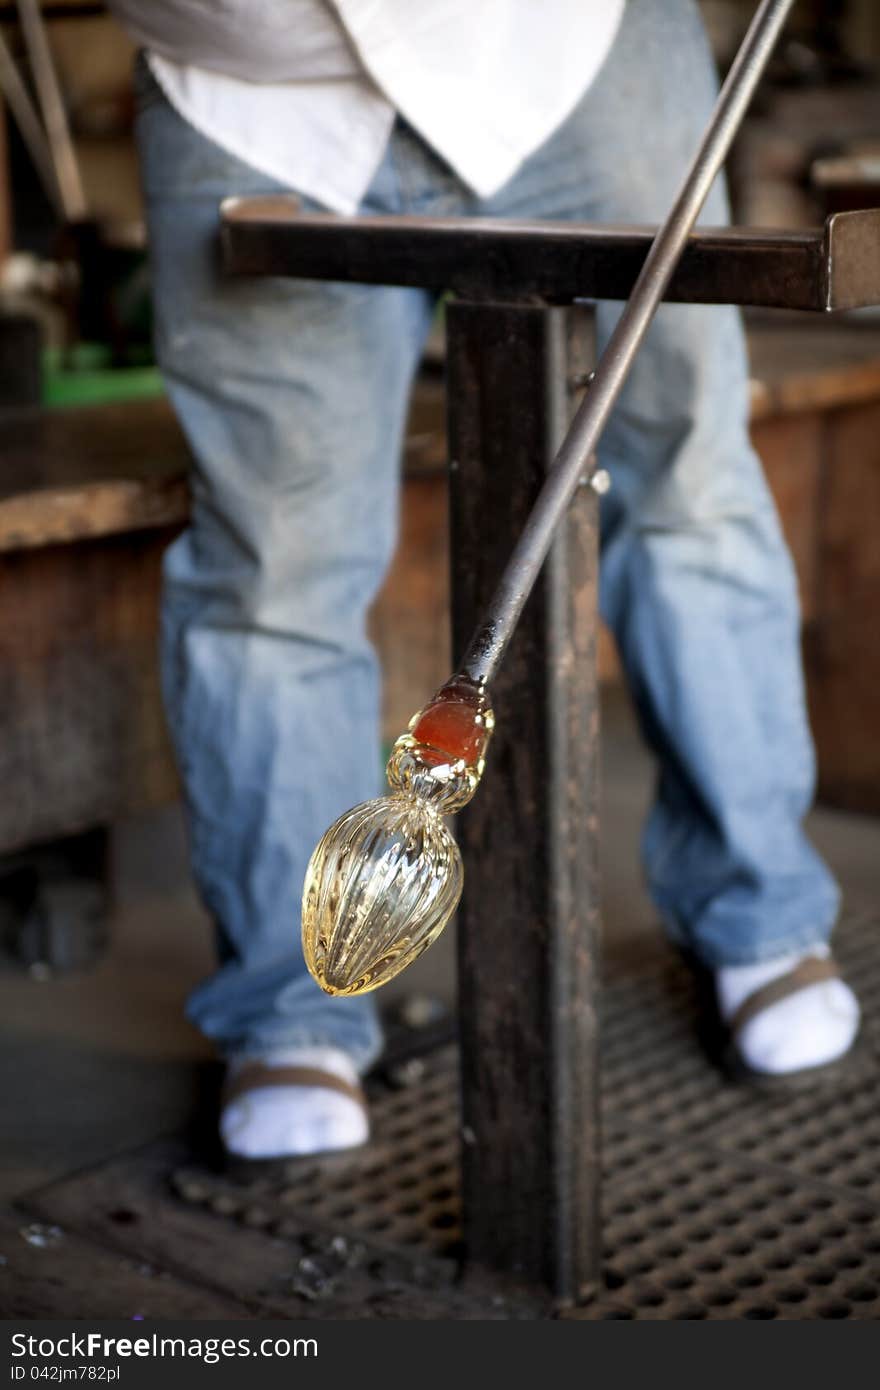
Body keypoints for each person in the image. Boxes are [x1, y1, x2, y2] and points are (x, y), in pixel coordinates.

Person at [107, 0, 860, 1161]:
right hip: (249, 96)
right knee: (272, 566)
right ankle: (289, 1003)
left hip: (564, 48)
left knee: (687, 482)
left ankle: (757, 909)